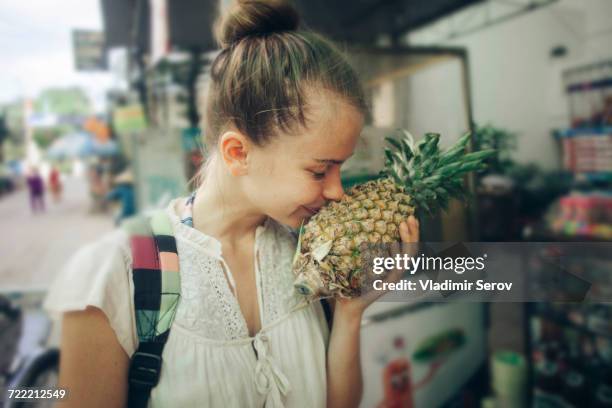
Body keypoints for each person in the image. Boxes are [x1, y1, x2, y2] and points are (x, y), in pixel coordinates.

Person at [43, 1, 420, 407]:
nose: (338, 192)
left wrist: (349, 312)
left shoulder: (313, 253)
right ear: (238, 152)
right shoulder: (118, 273)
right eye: (319, 171)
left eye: (340, 169)